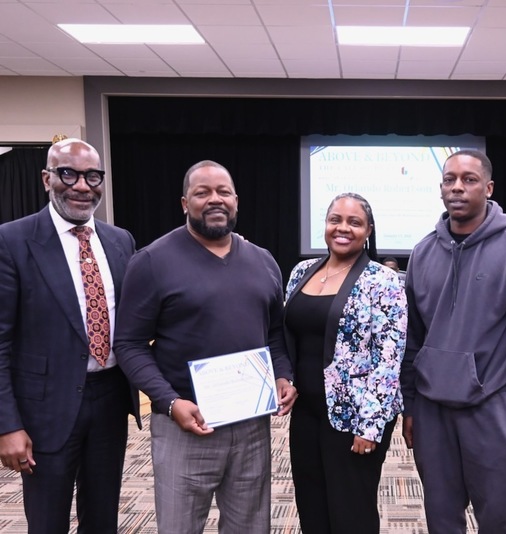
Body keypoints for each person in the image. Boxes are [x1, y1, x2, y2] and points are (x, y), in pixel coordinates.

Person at [113, 160, 297, 533]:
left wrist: (283, 374)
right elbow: (129, 344)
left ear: (236, 201)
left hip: (251, 426)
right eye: (202, 192)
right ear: (185, 203)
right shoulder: (152, 261)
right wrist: (169, 401)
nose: (215, 199)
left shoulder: (263, 261)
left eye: (223, 192)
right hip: (185, 425)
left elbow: (275, 333)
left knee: (250, 528)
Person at [400, 149, 506, 533]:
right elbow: (413, 339)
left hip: (495, 410)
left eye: (469, 179)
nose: (457, 187)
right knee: (442, 521)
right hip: (433, 411)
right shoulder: (423, 252)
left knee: (496, 522)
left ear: (489, 187)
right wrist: (411, 405)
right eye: (449, 180)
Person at [0, 138, 140, 533]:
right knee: (48, 521)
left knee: (102, 518)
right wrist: (7, 425)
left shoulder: (120, 241)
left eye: (92, 176)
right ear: (47, 179)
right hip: (45, 408)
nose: (82, 186)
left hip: (110, 399)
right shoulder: (12, 241)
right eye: (69, 174)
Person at [284, 192, 407, 533]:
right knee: (312, 507)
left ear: (368, 231)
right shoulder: (301, 272)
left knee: (351, 514)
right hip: (306, 413)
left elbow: (389, 358)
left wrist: (370, 426)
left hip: (355, 419)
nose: (343, 228)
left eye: (354, 222)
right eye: (335, 220)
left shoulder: (382, 280)